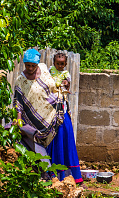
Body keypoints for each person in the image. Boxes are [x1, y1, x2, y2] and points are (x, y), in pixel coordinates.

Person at [13, 49, 83, 184]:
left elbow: (60, 78)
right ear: (24, 64)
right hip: (39, 121)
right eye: (28, 65)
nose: (31, 68)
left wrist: (66, 83)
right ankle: (52, 177)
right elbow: (18, 102)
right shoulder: (20, 80)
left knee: (64, 143)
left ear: (38, 63)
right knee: (50, 147)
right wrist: (19, 118)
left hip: (58, 113)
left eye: (33, 65)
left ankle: (71, 178)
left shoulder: (45, 69)